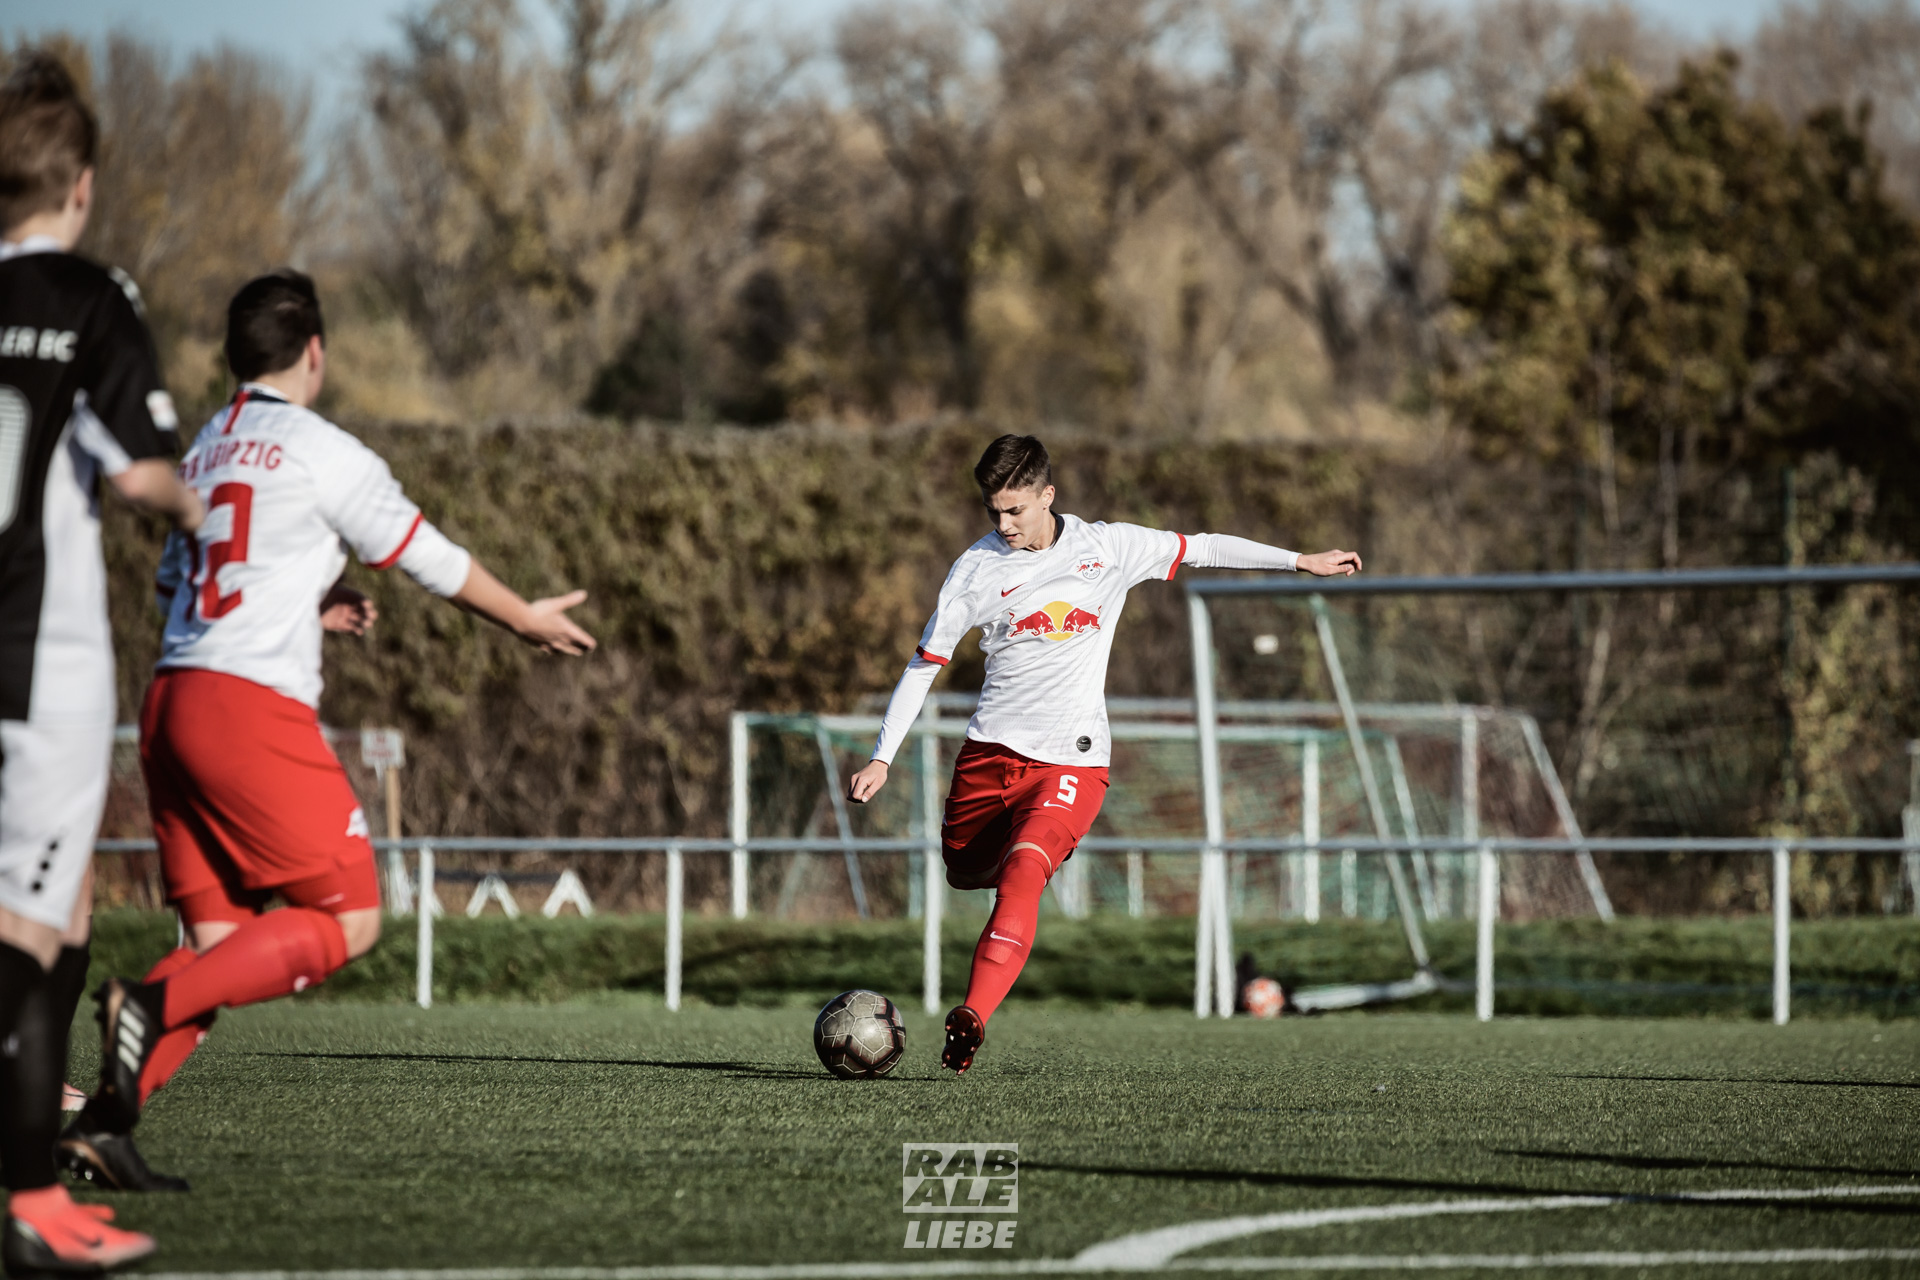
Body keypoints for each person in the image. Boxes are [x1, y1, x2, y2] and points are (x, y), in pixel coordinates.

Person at [63, 269, 597, 1191]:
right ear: (316, 354)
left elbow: (180, 588)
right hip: (246, 711)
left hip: (168, 706)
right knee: (347, 921)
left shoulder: (202, 449)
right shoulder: (321, 450)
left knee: (216, 946)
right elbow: (428, 558)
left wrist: (309, 599)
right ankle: (144, 1004)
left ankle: (101, 1128)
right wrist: (525, 618)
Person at [846, 435, 1360, 1073]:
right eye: (992, 512)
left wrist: (1299, 561)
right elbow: (924, 665)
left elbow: (1201, 547)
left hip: (1074, 759)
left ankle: (972, 1016)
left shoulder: (1108, 547)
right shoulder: (975, 571)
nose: (1003, 525)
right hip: (990, 757)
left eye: (1015, 510)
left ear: (1048, 496)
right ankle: (992, 930)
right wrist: (882, 756)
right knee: (967, 871)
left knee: (1025, 869)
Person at [0, 53, 205, 1275]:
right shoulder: (93, 296)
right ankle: (28, 1198)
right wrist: (195, 510)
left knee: (63, 908)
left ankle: (35, 1176)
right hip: (40, 659)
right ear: (80, 186)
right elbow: (137, 472)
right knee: (30, 930)